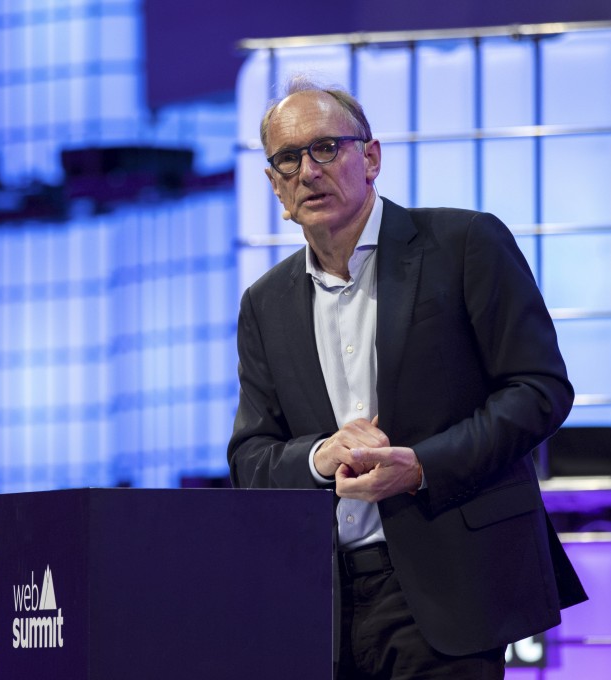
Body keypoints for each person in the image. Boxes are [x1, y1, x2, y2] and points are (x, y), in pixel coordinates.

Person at [227, 76, 587, 679]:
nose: (308, 171)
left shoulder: (463, 243)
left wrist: (420, 465)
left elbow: (539, 390)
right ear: (274, 186)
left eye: (325, 149)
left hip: (449, 584)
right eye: (288, 159)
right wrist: (319, 457)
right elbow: (250, 457)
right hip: (322, 605)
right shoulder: (264, 303)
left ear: (370, 158)